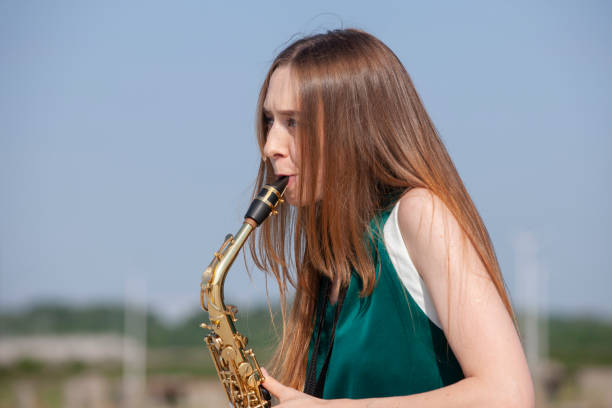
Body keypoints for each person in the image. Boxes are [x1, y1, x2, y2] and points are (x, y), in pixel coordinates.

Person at [249, 28, 534, 407]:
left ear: (354, 125)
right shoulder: (328, 259)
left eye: (293, 122)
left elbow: (508, 395)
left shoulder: (418, 215)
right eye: (270, 121)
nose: (270, 146)